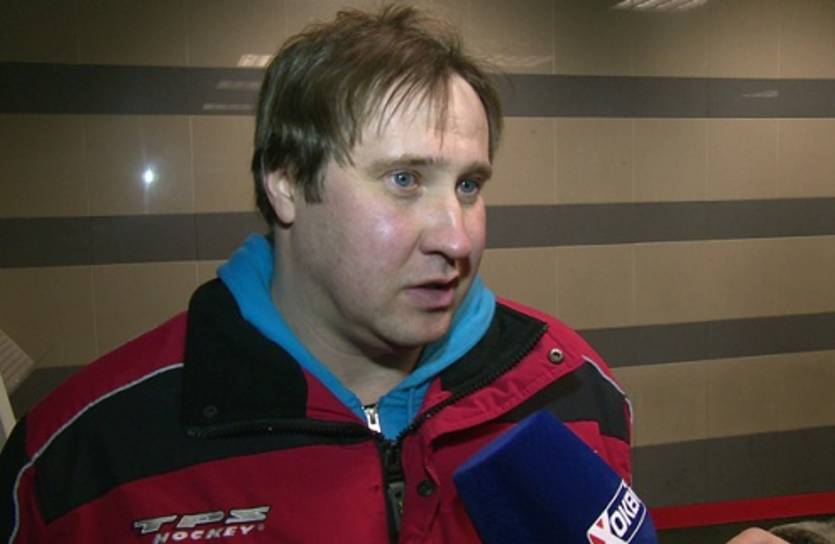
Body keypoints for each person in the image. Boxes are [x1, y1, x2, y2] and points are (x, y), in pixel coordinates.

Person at [0, 6, 633, 543]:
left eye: (468, 185)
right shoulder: (81, 458)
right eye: (405, 180)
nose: (456, 237)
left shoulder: (572, 389)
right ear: (286, 183)